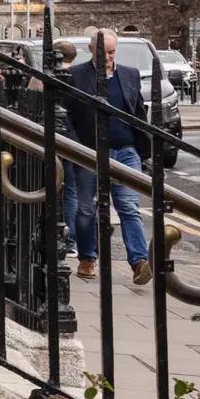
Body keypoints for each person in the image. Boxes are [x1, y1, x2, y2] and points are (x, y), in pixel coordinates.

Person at [61, 26, 154, 286]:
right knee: (86, 209)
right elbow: (65, 115)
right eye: (103, 52)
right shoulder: (75, 75)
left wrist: (141, 148)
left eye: (112, 52)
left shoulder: (130, 74)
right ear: (90, 50)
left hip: (125, 152)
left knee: (129, 207)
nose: (108, 57)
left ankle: (139, 262)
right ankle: (87, 258)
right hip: (89, 153)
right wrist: (76, 146)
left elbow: (137, 112)